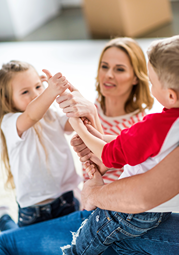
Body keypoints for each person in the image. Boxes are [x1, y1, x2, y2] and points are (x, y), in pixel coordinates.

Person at [0, 37, 179, 255]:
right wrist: (84, 113)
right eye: (104, 66)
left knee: (77, 242)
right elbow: (36, 115)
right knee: (25, 238)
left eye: (120, 68)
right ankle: (5, 219)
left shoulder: (148, 124)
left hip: (98, 204)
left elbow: (115, 156)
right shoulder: (93, 108)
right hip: (61, 204)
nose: (109, 74)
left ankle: (6, 221)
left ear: (136, 78)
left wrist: (80, 125)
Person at [62, 35, 179, 254]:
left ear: (170, 95)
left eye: (153, 82)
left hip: (128, 211)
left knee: (86, 240)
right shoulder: (173, 126)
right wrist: (96, 134)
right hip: (158, 212)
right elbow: (125, 145)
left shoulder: (155, 125)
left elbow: (108, 154)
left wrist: (78, 127)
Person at [0, 60, 81, 231]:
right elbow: (31, 115)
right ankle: (4, 218)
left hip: (65, 198)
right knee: (24, 248)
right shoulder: (10, 122)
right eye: (25, 91)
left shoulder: (51, 114)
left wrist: (67, 96)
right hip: (34, 209)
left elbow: (73, 122)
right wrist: (49, 92)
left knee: (71, 244)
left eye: (38, 86)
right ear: (8, 99)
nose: (36, 94)